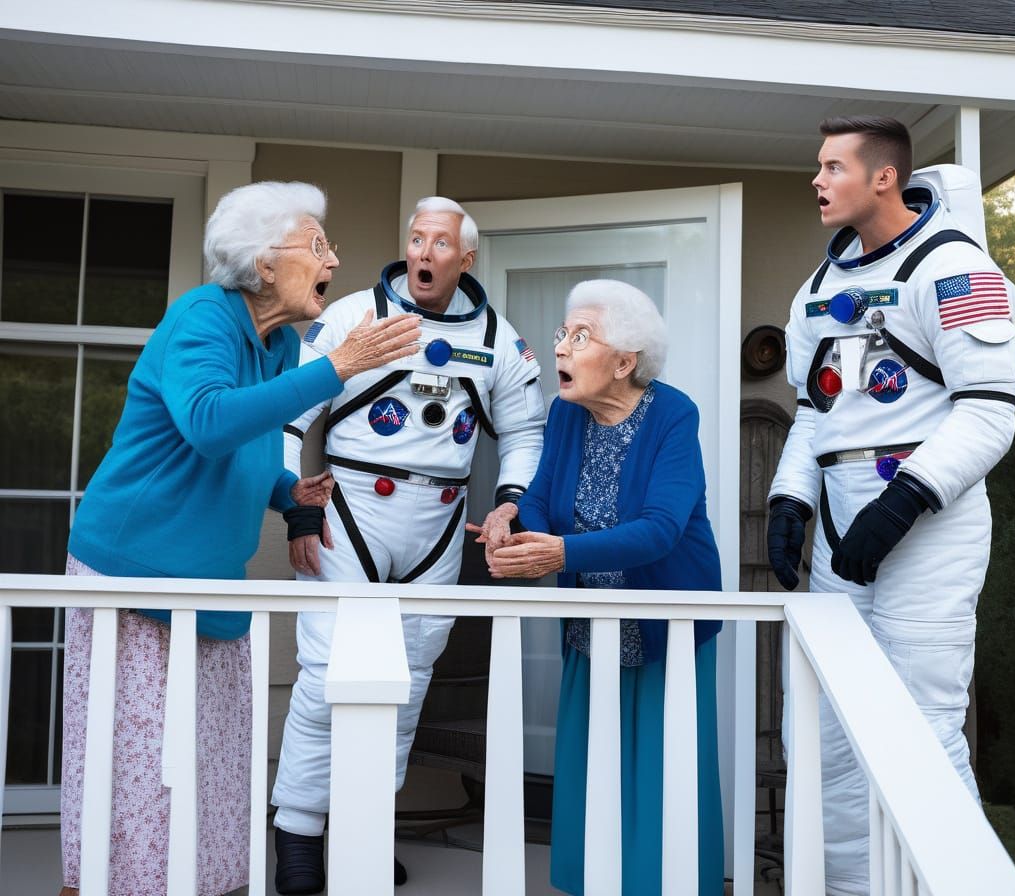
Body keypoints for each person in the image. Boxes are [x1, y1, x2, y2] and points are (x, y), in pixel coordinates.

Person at [59, 180, 422, 896]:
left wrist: (290, 495)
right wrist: (340, 365)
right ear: (264, 263)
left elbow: (247, 447)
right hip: (134, 576)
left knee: (212, 762)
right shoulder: (201, 318)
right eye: (318, 245)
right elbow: (209, 421)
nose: (334, 258)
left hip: (208, 581)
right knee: (140, 770)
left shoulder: (280, 343)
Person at [766, 117, 1015, 895]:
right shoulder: (819, 289)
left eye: (833, 167)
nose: (816, 181)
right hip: (846, 530)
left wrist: (905, 502)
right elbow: (817, 410)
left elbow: (988, 411)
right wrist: (789, 498)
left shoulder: (949, 268)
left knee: (922, 726)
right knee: (829, 729)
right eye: (818, 166)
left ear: (884, 178)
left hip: (928, 529)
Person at [270, 196, 545, 893]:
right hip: (350, 514)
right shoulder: (351, 316)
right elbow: (288, 413)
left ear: (466, 257)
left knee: (409, 682)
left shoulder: (496, 338)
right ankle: (298, 834)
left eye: (440, 244)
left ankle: (365, 826)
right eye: (416, 239)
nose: (424, 253)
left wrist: (510, 500)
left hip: (439, 527)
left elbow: (524, 431)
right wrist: (296, 513)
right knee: (324, 677)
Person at [470, 279, 725, 896]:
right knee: (592, 767)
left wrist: (558, 552)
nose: (561, 346)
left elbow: (661, 529)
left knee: (664, 774)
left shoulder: (672, 414)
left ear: (624, 361)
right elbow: (544, 498)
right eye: (562, 333)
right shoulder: (566, 413)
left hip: (667, 628)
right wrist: (512, 519)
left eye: (579, 336)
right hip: (590, 624)